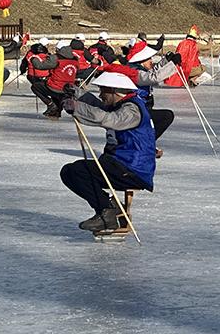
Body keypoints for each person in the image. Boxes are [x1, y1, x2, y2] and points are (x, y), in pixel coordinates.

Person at [60, 72, 156, 232]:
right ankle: (110, 207)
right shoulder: (121, 104)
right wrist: (77, 93)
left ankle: (108, 212)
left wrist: (77, 107)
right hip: (119, 164)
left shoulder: (132, 110)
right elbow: (100, 106)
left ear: (115, 91)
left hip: (133, 170)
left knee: (77, 171)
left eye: (104, 90)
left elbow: (108, 119)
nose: (101, 94)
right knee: (69, 172)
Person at [31, 40, 79, 119]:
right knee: (57, 94)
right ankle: (56, 111)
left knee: (35, 87)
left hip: (55, 87)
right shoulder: (75, 59)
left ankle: (50, 104)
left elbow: (40, 66)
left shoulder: (56, 58)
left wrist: (33, 59)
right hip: (68, 88)